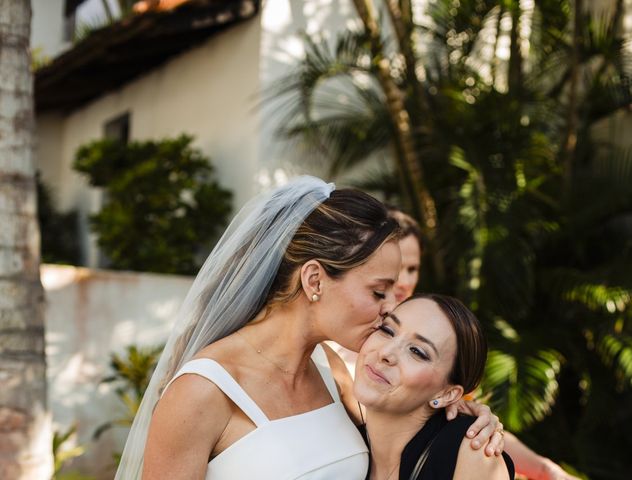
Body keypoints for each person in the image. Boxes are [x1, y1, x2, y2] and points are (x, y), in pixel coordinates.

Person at [115, 176, 503, 480]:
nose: (390, 309)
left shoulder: (334, 371)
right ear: (315, 281)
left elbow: (401, 432)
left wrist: (470, 416)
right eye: (379, 291)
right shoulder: (202, 392)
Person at [385, 207, 580, 480]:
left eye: (413, 269)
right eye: (397, 267)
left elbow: (472, 430)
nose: (404, 282)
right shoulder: (352, 348)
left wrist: (546, 470)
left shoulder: (437, 338)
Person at [354, 293, 515, 480]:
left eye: (417, 351)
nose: (385, 352)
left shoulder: (471, 451)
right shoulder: (342, 443)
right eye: (388, 330)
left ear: (447, 394)